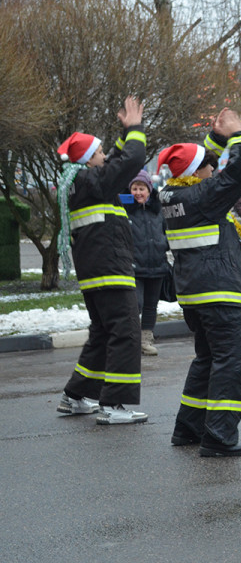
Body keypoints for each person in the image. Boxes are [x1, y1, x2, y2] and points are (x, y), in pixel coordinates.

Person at [158, 108, 241, 457]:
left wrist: (214, 138)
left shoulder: (173, 194)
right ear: (197, 175)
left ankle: (188, 428)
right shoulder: (201, 196)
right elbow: (240, 172)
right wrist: (239, 133)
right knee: (229, 360)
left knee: (206, 359)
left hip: (194, 294)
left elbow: (199, 161)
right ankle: (219, 435)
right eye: (208, 167)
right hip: (218, 292)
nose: (213, 170)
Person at [54, 96, 148, 425]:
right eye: (97, 152)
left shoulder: (81, 181)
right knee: (125, 333)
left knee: (104, 333)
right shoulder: (92, 181)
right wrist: (135, 130)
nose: (104, 156)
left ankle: (76, 395)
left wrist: (123, 136)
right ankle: (115, 405)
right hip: (110, 271)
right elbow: (128, 160)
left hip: (97, 272)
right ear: (85, 159)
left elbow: (115, 161)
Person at [124, 169, 169, 357]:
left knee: (151, 304)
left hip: (157, 264)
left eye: (142, 188)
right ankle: (130, 340)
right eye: (134, 188)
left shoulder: (158, 209)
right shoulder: (125, 209)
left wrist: (163, 244)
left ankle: (145, 339)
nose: (138, 192)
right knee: (136, 303)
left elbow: (168, 232)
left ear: (149, 190)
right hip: (135, 265)